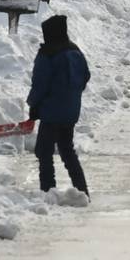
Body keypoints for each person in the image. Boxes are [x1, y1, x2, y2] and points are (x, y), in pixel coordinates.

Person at [26, 14, 91, 198]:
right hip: (70, 112)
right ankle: (82, 190)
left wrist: (33, 105)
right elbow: (85, 76)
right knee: (67, 151)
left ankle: (48, 191)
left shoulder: (48, 54)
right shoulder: (75, 51)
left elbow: (40, 84)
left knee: (43, 152)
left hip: (51, 113)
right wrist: (72, 94)